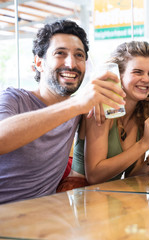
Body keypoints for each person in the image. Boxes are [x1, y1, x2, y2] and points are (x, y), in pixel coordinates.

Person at [0, 20, 125, 204]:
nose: (71, 63)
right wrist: (77, 104)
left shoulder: (79, 108)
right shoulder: (14, 98)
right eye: (60, 53)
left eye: (79, 55)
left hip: (44, 217)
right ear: (38, 62)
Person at [58, 41, 149, 190]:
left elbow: (131, 176)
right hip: (80, 193)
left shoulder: (142, 114)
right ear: (118, 75)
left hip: (112, 193)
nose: (147, 79)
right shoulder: (101, 107)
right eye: (138, 72)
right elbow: (94, 176)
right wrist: (144, 143)